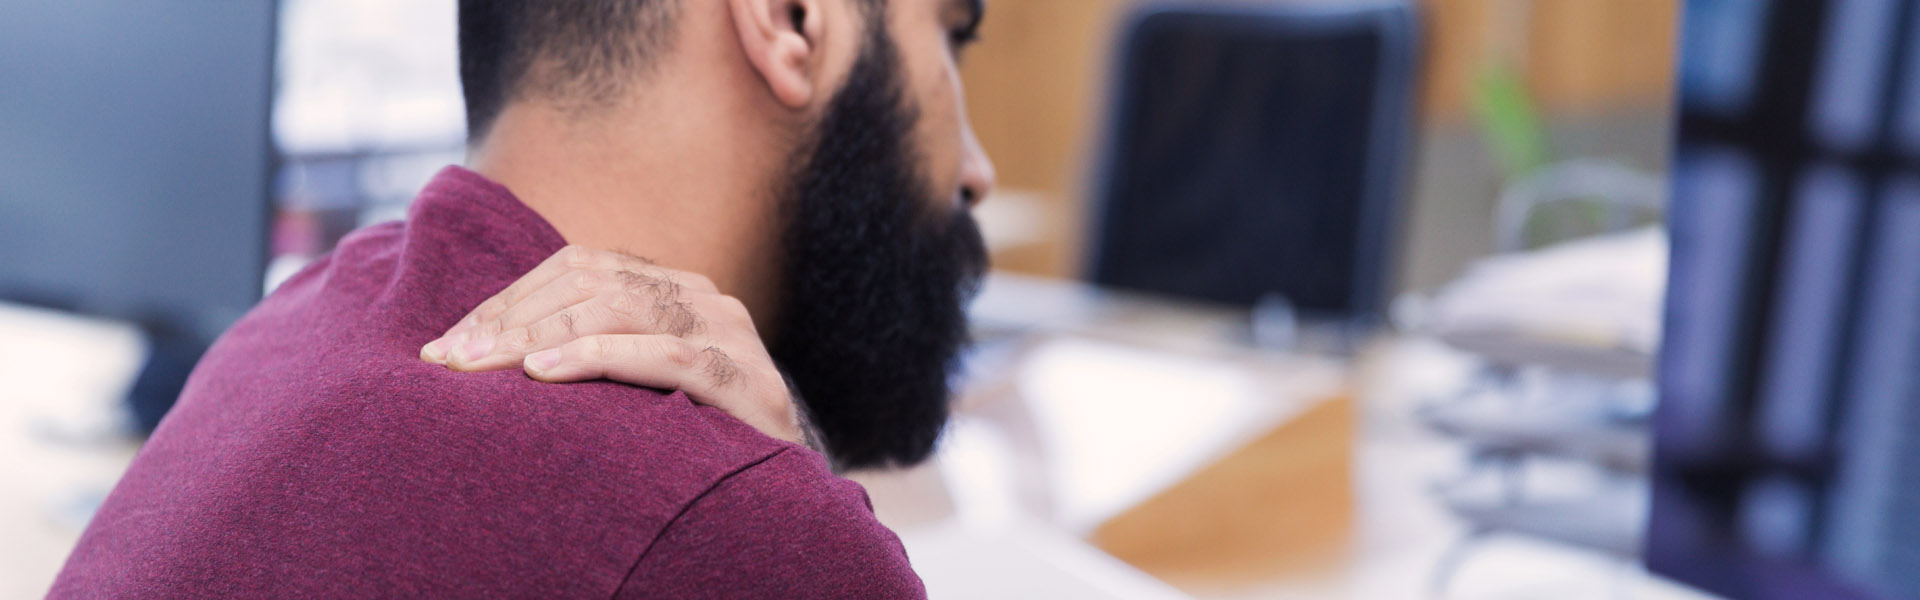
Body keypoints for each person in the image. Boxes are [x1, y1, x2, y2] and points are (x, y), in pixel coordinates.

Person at [51, 0, 994, 597]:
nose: (978, 170)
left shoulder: (280, 334)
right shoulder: (735, 530)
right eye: (951, 34)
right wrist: (803, 524)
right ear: (792, 20)